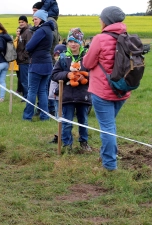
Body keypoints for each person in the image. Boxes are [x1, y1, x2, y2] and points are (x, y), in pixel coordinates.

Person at [83, 6, 128, 171]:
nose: (100, 21)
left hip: (103, 91)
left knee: (107, 128)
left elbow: (87, 63)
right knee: (110, 125)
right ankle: (106, 155)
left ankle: (109, 165)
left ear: (106, 20)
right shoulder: (127, 36)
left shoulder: (100, 39)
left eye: (101, 18)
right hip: (123, 90)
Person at [52, 28, 91, 152]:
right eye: (70, 41)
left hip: (83, 95)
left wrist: (84, 76)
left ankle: (84, 142)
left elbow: (94, 74)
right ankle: (67, 144)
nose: (73, 44)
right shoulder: (63, 58)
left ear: (81, 42)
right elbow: (54, 75)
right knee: (66, 122)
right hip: (67, 95)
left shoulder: (87, 57)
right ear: (67, 42)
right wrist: (67, 75)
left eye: (76, 41)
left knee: (83, 121)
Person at [23, 10, 54, 121]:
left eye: (35, 19)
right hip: (47, 63)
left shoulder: (41, 30)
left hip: (37, 64)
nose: (34, 21)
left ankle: (27, 116)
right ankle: (44, 116)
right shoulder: (49, 30)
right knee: (42, 91)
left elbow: (29, 46)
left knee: (32, 91)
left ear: (41, 19)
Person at [16, 15, 32, 99]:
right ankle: (26, 96)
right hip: (22, 60)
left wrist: (23, 57)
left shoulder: (28, 32)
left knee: (25, 80)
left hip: (25, 60)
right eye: (19, 22)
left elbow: (29, 46)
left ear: (26, 22)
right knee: (22, 80)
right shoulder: (22, 32)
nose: (21, 24)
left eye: (22, 22)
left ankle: (27, 97)